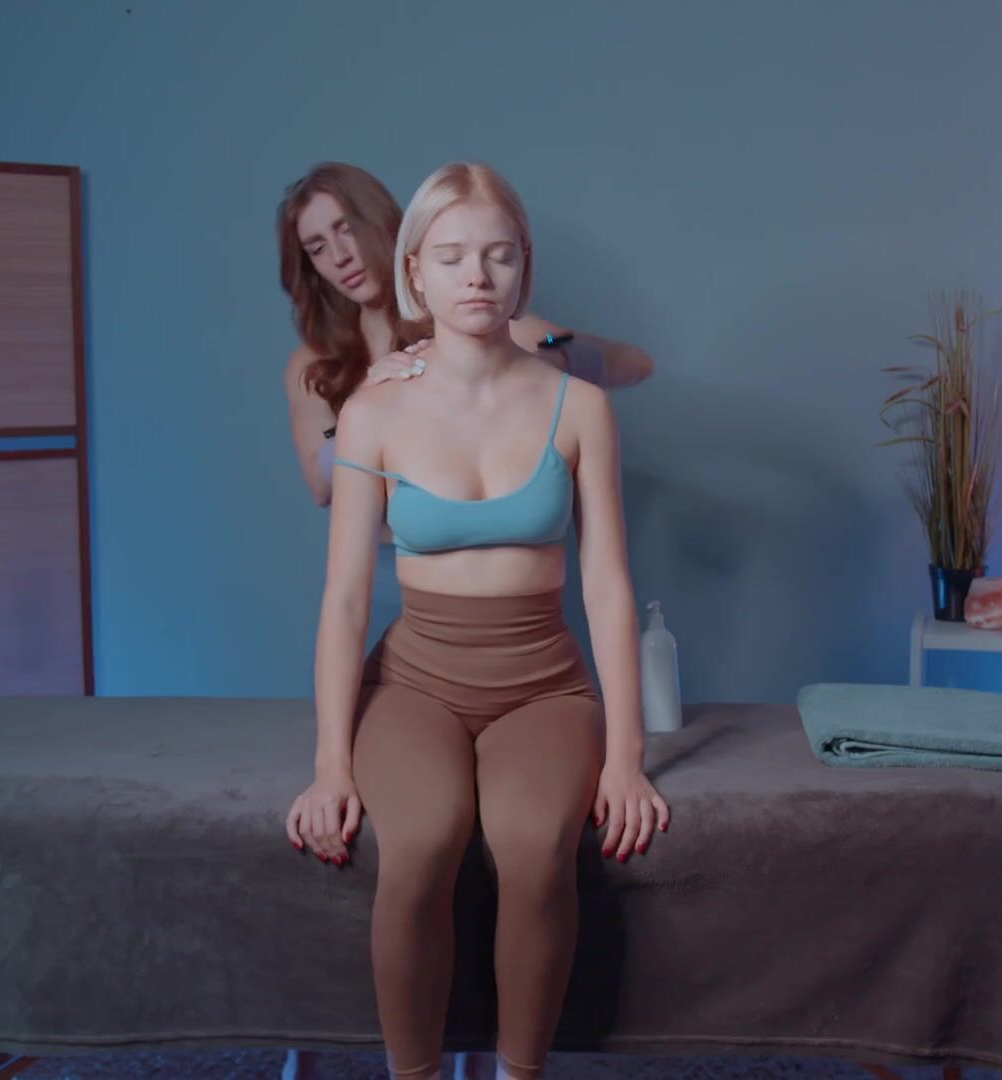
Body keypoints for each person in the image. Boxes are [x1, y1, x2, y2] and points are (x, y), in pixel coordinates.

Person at [284, 162, 671, 1080]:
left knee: (536, 847)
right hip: (415, 680)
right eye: (453, 256)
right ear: (415, 271)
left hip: (544, 686)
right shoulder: (370, 412)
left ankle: (519, 1073)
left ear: (523, 265)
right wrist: (329, 764)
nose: (478, 276)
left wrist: (626, 758)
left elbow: (608, 587)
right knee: (421, 839)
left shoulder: (579, 406)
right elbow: (344, 600)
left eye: (499, 255)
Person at [278, 162, 655, 511]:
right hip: (383, 556)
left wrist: (544, 361)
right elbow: (321, 487)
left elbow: (635, 364)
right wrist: (374, 400)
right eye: (318, 248)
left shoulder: (476, 321)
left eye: (347, 229)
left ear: (383, 222)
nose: (340, 256)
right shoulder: (313, 366)